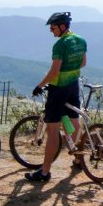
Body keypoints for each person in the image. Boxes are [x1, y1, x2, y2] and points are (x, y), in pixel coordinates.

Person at [26, 11, 87, 183]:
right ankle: (77, 157)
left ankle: (44, 172)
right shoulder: (80, 40)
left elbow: (54, 72)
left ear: (62, 26)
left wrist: (39, 86)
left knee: (53, 131)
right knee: (74, 122)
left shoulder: (60, 45)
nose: (51, 31)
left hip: (59, 88)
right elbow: (83, 63)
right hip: (74, 85)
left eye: (52, 27)